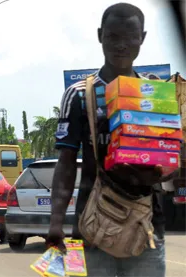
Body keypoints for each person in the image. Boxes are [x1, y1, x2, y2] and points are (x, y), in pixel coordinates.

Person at [46, 3, 179, 277]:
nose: (121, 45)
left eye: (130, 37)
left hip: (148, 227)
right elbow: (66, 162)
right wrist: (55, 222)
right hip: (89, 227)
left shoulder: (156, 95)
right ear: (100, 36)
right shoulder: (79, 94)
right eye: (113, 37)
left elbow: (171, 160)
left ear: (142, 38)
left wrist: (167, 169)